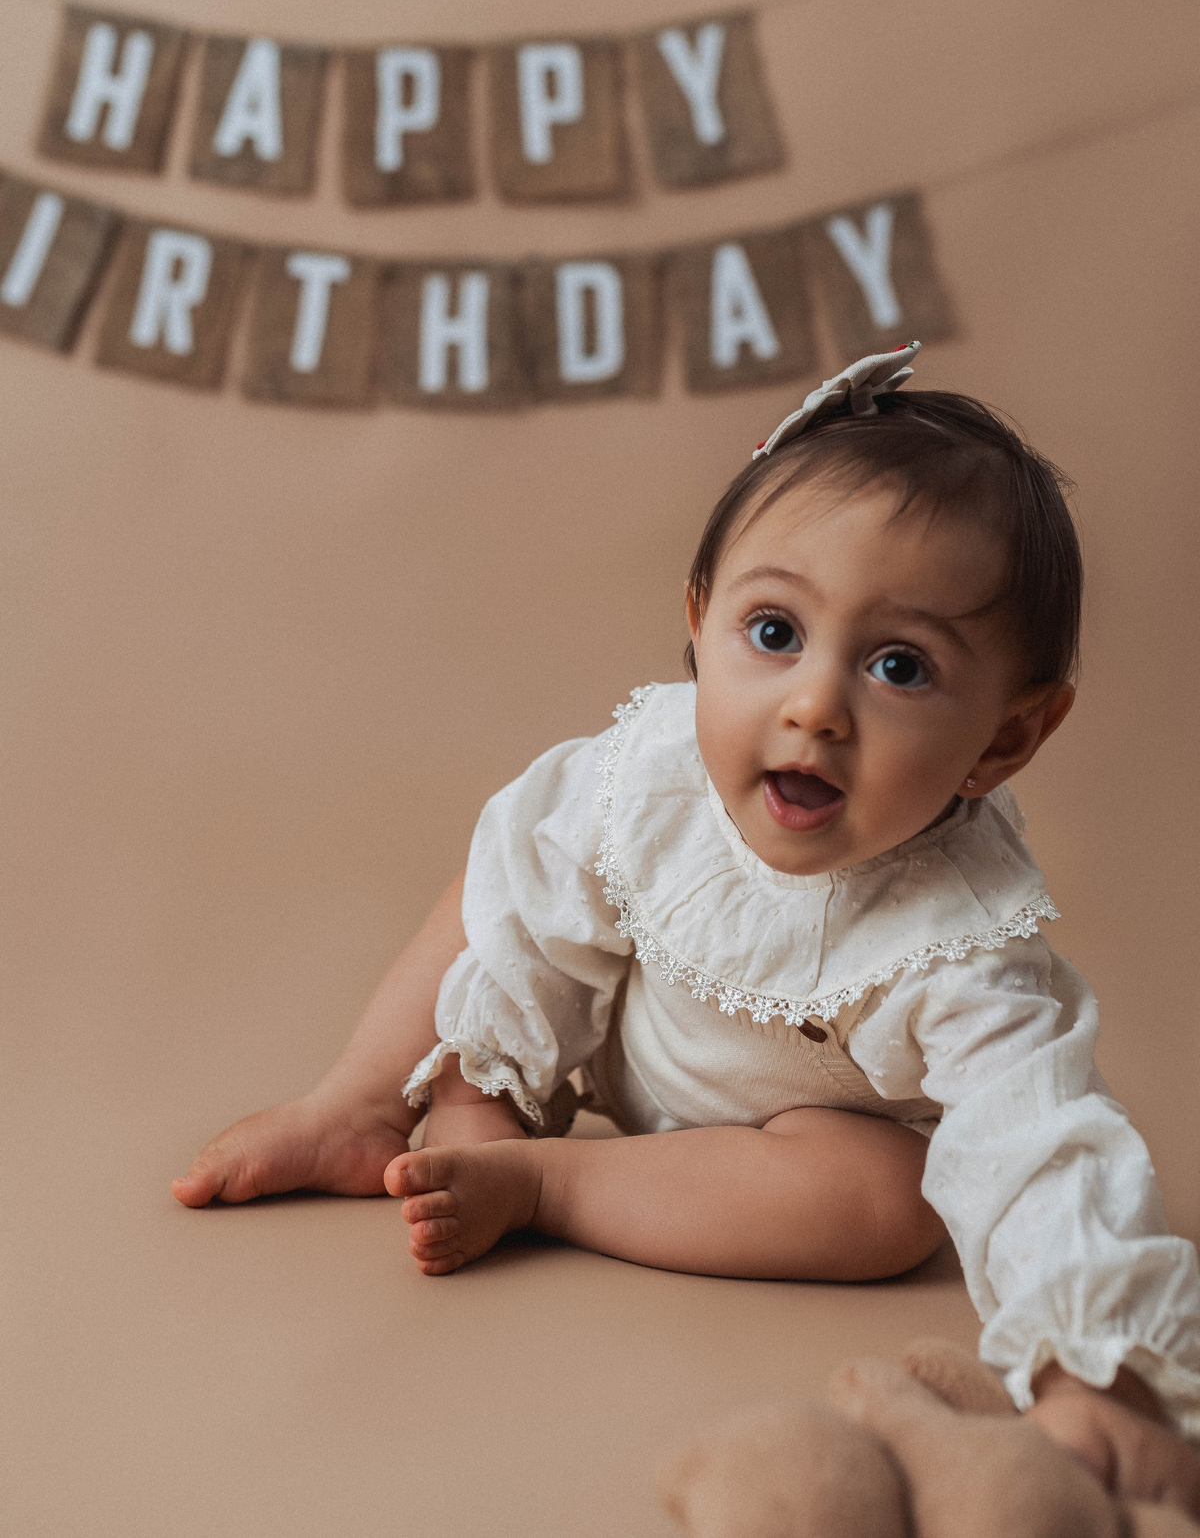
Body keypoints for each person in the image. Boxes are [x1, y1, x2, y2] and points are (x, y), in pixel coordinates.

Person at [173, 345, 1200, 1509]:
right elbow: (527, 903)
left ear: (1006, 739)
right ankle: (363, 1103)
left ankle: (553, 1186)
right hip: (613, 1029)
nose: (815, 706)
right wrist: (478, 1071)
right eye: (775, 632)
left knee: (888, 1204)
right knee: (499, 872)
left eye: (899, 666)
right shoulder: (652, 772)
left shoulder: (956, 933)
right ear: (701, 622)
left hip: (796, 1138)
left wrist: (1098, 1372)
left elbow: (1039, 1139)